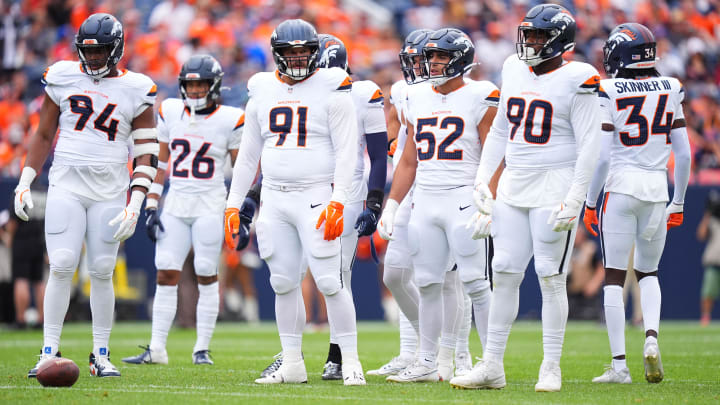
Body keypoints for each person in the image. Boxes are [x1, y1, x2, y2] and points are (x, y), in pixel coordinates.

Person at [451, 4, 601, 392]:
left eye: (539, 36)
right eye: (528, 34)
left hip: (555, 182)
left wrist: (576, 196)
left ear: (560, 41)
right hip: (515, 184)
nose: (530, 42)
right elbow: (501, 129)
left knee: (550, 276)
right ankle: (492, 366)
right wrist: (484, 180)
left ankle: (550, 367)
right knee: (503, 271)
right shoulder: (514, 68)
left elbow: (590, 144)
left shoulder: (580, 76)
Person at [16, 13, 158, 378]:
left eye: (101, 52)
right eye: (88, 52)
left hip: (110, 189)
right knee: (62, 264)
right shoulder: (63, 75)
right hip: (66, 183)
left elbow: (146, 153)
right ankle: (48, 350)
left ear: (118, 49)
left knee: (102, 269)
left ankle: (101, 353)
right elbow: (44, 134)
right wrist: (25, 179)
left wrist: (136, 201)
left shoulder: (136, 88)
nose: (92, 59)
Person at [224, 19, 365, 385]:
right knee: (283, 282)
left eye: (305, 51)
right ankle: (292, 363)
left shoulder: (333, 86)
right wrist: (233, 202)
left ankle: (349, 361)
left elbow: (349, 153)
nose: (299, 58)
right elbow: (249, 153)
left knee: (330, 281)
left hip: (316, 195)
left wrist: (339, 200)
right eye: (291, 52)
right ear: (277, 54)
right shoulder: (261, 89)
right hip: (273, 197)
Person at [377, 27, 499, 383]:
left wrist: (489, 199)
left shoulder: (482, 94)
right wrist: (393, 204)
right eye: (430, 56)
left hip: (463, 196)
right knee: (428, 283)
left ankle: (492, 362)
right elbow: (409, 160)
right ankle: (427, 362)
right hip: (426, 199)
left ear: (461, 60)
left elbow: (496, 152)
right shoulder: (416, 96)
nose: (432, 63)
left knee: (476, 282)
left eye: (440, 56)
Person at [584, 22, 691, 385]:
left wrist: (588, 200)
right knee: (649, 274)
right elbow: (685, 154)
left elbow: (600, 159)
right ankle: (651, 338)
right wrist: (678, 201)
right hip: (657, 191)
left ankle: (619, 365)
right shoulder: (672, 86)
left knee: (614, 278)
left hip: (620, 188)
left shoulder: (609, 89)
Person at [121, 54, 243, 366]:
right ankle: (157, 349)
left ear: (214, 86)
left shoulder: (230, 118)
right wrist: (151, 205)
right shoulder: (170, 111)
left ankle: (201, 348)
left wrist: (237, 210)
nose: (196, 90)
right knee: (165, 272)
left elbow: (242, 169)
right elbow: (160, 164)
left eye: (202, 84)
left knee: (206, 272)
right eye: (191, 84)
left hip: (210, 203)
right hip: (175, 203)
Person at [698, 190, 720, 327]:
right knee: (708, 292)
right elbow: (701, 234)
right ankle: (705, 318)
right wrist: (707, 214)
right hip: (713, 262)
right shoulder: (712, 221)